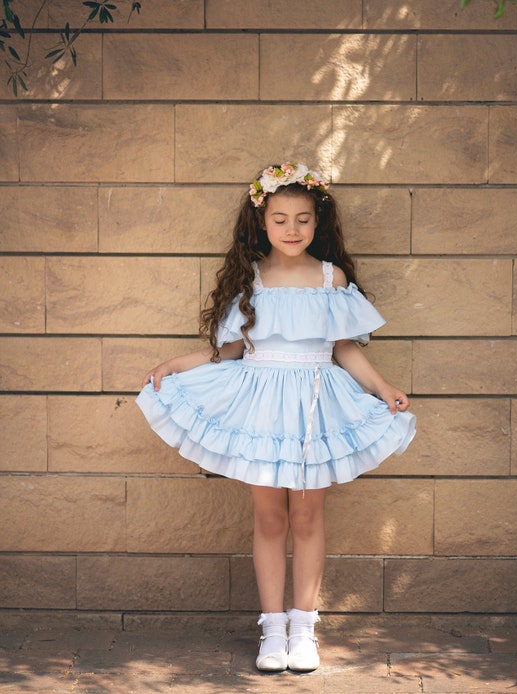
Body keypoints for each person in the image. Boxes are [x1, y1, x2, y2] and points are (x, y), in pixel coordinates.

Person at [137, 162, 416, 673]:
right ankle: (271, 629)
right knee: (269, 518)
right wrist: (176, 365)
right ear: (261, 223)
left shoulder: (331, 278)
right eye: (281, 219)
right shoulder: (252, 278)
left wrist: (382, 387)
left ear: (318, 222)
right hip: (262, 409)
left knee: (307, 517)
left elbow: (343, 350)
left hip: (314, 404)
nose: (292, 230)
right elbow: (227, 354)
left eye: (303, 219)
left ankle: (304, 628)